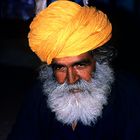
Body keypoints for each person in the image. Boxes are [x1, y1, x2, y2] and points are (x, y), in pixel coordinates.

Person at [7, 0, 140, 140]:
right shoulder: (39, 94)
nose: (71, 79)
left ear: (99, 60)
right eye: (60, 68)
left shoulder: (131, 93)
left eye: (80, 65)